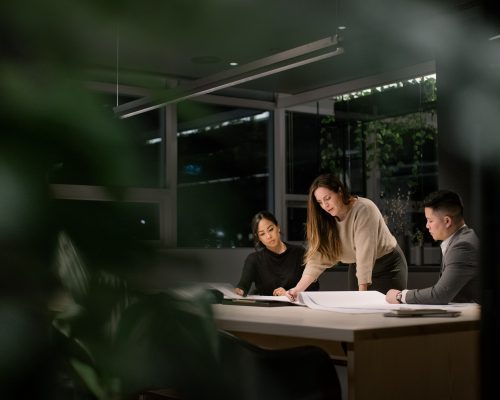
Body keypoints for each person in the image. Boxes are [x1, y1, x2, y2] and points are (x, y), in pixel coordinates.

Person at [287, 173, 408, 300]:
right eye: (320, 202)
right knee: (358, 314)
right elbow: (317, 259)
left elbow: (364, 252)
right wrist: (297, 289)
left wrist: (362, 295)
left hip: (388, 265)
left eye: (327, 198)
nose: (325, 205)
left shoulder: (364, 209)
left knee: (386, 311)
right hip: (357, 266)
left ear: (339, 191)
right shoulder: (326, 219)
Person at [386, 190, 480, 305]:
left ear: (447, 221)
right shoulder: (462, 239)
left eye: (430, 220)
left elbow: (440, 295)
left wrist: (400, 296)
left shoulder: (462, 247)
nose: (427, 226)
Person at [235, 211, 319, 297]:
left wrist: (289, 293)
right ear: (259, 237)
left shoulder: (299, 252)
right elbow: (243, 286)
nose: (268, 236)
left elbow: (314, 287)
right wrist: (239, 291)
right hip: (265, 309)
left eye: (270, 229)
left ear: (278, 227)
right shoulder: (254, 259)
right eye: (262, 234)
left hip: (295, 306)